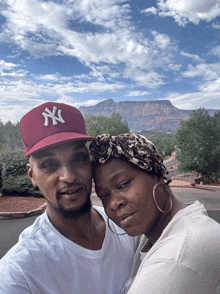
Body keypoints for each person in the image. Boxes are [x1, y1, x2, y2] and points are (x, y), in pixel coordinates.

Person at [0, 103, 139, 294]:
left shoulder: (123, 225)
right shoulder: (19, 274)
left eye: (78, 158)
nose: (69, 176)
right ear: (31, 175)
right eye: (49, 164)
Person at [90, 133, 220, 294]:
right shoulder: (158, 233)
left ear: (157, 174)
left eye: (123, 184)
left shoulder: (174, 260)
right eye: (104, 196)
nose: (114, 203)